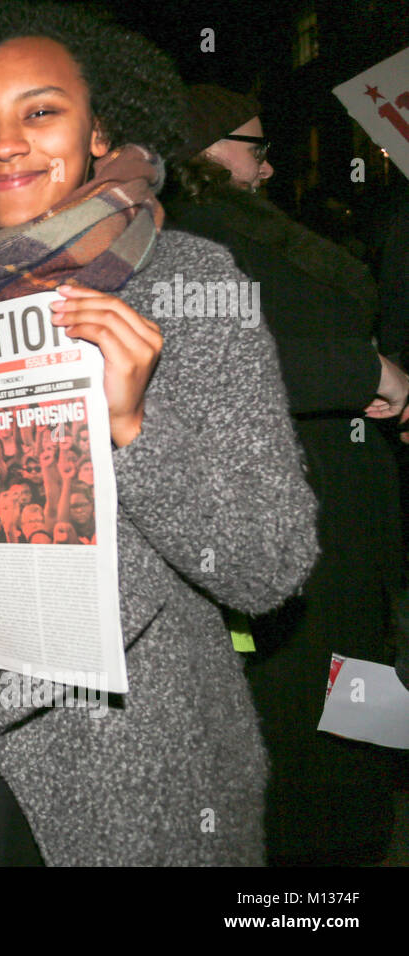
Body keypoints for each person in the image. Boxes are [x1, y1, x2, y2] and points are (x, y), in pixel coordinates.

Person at [0, 0, 319, 866]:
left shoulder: (192, 284)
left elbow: (266, 564)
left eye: (40, 111)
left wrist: (134, 426)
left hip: (125, 768)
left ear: (99, 131)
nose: (4, 143)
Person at [166, 85, 408, 866]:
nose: (267, 168)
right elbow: (229, 360)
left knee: (360, 699)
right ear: (203, 150)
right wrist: (367, 369)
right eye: (255, 147)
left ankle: (360, 842)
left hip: (347, 529)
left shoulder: (243, 228)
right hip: (301, 534)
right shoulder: (190, 239)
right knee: (319, 731)